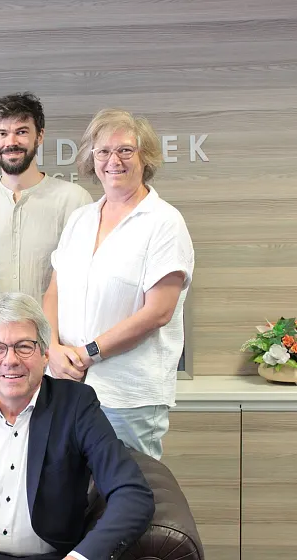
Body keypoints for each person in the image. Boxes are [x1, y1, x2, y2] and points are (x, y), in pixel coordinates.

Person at [0, 292, 154, 560]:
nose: (11, 360)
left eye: (24, 346)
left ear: (44, 354)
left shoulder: (76, 406)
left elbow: (132, 494)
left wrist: (80, 558)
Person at [43, 109, 194, 460]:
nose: (114, 160)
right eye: (103, 151)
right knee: (71, 497)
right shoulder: (80, 219)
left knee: (128, 496)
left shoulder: (164, 222)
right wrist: (51, 348)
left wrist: (86, 352)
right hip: (66, 384)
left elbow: (158, 312)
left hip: (129, 395)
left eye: (125, 150)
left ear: (146, 157)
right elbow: (54, 291)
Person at [0, 93, 92, 387]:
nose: (11, 141)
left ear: (40, 136)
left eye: (22, 131)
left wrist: (55, 347)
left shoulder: (74, 200)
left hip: (53, 355)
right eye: (2, 133)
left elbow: (86, 284)